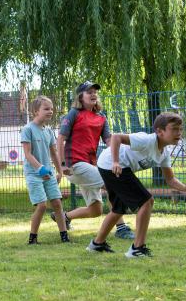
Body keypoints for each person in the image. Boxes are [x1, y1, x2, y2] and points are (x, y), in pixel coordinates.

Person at [87, 112, 186, 258]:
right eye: (174, 129)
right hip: (112, 165)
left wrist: (185, 188)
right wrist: (116, 162)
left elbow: (170, 180)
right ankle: (137, 249)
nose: (179, 133)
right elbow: (116, 137)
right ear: (159, 131)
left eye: (180, 129)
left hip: (111, 165)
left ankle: (97, 244)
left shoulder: (164, 153)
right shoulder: (147, 140)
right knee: (146, 201)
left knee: (119, 208)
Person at [56, 81, 135, 239]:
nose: (93, 94)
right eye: (88, 92)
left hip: (90, 165)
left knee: (95, 210)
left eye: (95, 92)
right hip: (74, 165)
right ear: (81, 96)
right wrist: (62, 165)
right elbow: (60, 139)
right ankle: (121, 228)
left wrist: (128, 147)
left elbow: (109, 141)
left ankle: (64, 217)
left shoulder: (101, 117)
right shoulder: (73, 113)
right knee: (112, 183)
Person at [21, 95, 69, 244]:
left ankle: (64, 236)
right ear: (36, 111)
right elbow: (27, 154)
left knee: (57, 204)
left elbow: (54, 152)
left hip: (48, 174)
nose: (50, 111)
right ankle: (32, 238)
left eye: (52, 109)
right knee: (41, 205)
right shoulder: (27, 129)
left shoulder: (48, 131)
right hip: (34, 174)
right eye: (46, 109)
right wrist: (40, 169)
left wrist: (59, 171)